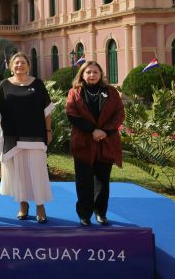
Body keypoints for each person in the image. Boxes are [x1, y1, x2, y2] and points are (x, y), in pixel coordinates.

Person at [0, 52, 54, 223]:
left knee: (37, 172)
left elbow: (47, 110)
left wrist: (48, 131)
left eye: (23, 62)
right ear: (11, 66)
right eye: (16, 63)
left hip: (35, 135)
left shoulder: (38, 84)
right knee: (19, 173)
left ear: (28, 66)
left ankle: (40, 206)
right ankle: (23, 206)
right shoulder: (4, 85)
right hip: (12, 135)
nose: (19, 65)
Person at [65, 61, 125, 226]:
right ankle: (84, 214)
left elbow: (119, 114)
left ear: (101, 75)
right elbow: (72, 114)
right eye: (88, 72)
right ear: (82, 75)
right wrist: (93, 130)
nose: (92, 75)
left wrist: (104, 131)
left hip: (106, 141)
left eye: (95, 72)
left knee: (102, 180)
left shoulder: (111, 92)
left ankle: (101, 213)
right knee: (84, 181)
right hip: (83, 142)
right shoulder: (75, 93)